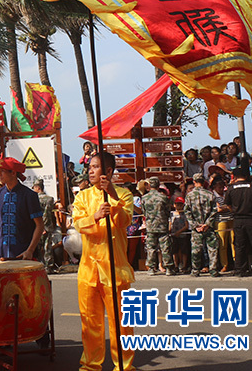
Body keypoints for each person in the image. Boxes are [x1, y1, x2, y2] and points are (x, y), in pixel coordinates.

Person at [72, 151, 135, 371]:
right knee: (90, 324)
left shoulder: (124, 195)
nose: (90, 170)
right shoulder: (82, 196)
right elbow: (78, 224)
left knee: (121, 324)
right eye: (90, 166)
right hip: (89, 270)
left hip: (115, 269)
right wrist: (95, 217)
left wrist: (113, 201)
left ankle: (124, 367)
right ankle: (90, 365)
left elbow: (125, 221)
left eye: (96, 167)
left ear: (108, 171)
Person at [0, 158, 44, 261]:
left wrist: (30, 250)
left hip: (24, 252)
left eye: (2, 171)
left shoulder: (29, 195)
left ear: (13, 173)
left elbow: (39, 225)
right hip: (1, 252)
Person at [224, 166, 252, 277]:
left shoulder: (231, 188)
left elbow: (228, 205)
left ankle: (240, 270)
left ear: (234, 177)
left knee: (240, 245)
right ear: (246, 176)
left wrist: (235, 211)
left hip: (238, 220)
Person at [185, 174, 220, 277]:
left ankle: (195, 270)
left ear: (194, 182)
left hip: (197, 228)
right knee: (212, 249)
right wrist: (207, 224)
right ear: (204, 181)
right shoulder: (210, 195)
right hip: (208, 227)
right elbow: (214, 210)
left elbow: (187, 212)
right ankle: (213, 270)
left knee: (196, 250)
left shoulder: (189, 195)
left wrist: (195, 225)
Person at [141, 178, 177, 275]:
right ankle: (169, 268)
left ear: (149, 186)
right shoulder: (163, 197)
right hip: (162, 225)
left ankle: (151, 268)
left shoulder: (144, 198)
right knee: (165, 247)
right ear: (158, 186)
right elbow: (167, 211)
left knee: (151, 247)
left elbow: (144, 212)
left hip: (150, 225)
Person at [34, 179, 60, 274]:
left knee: (38, 246)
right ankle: (49, 266)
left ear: (38, 187)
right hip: (48, 225)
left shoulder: (35, 198)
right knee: (47, 246)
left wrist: (41, 226)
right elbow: (47, 213)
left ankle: (39, 265)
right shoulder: (50, 199)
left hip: (37, 226)